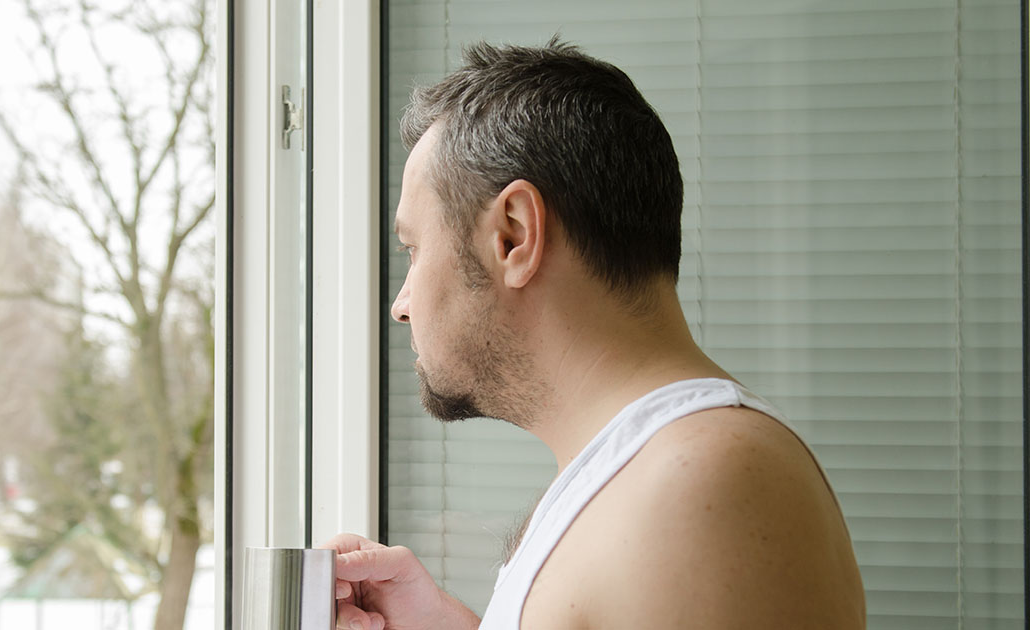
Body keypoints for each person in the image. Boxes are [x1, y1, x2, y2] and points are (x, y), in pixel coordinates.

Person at [324, 39, 867, 630]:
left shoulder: (695, 484)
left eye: (413, 248)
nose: (401, 306)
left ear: (513, 236)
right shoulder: (642, 476)